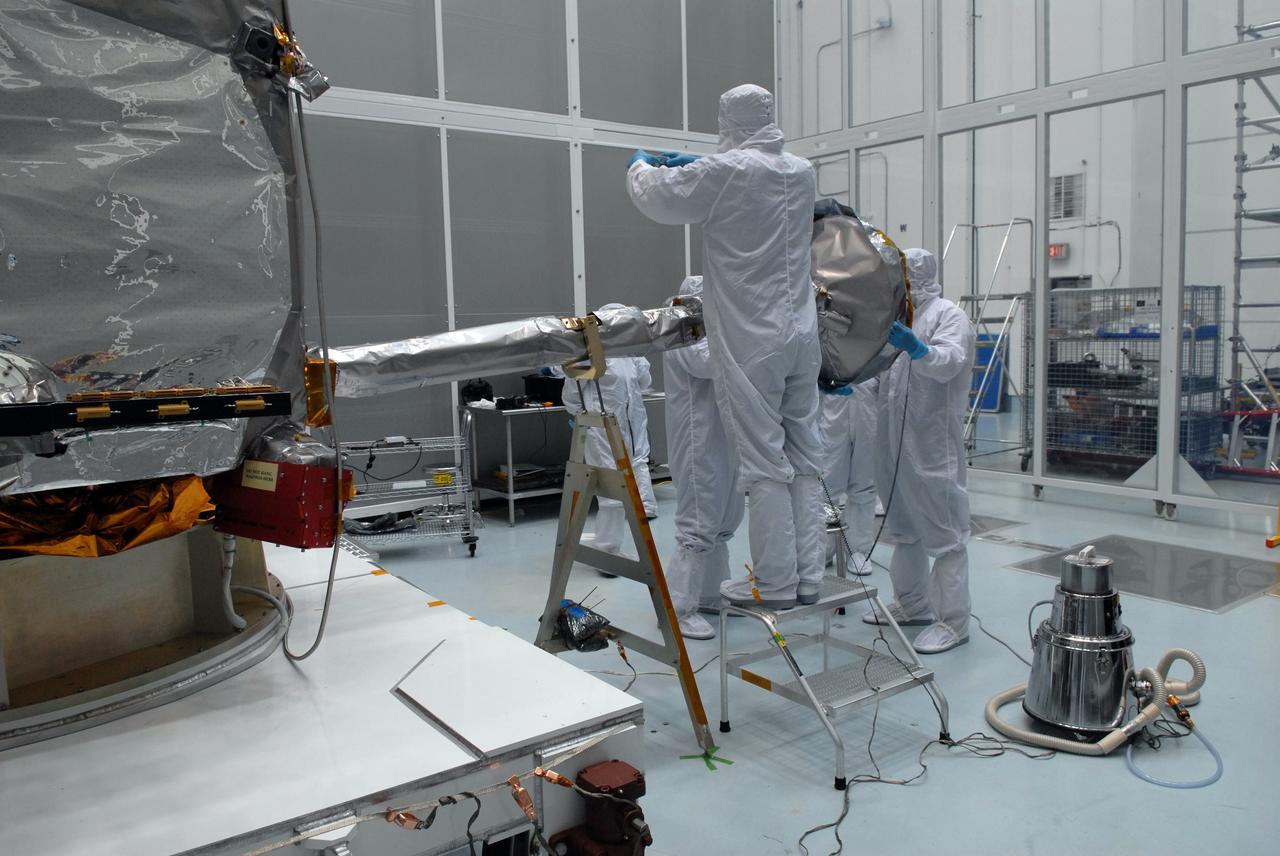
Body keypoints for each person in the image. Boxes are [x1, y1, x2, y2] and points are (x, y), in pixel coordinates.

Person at [627, 84, 824, 610]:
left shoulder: (724, 172)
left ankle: (777, 584)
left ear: (726, 122)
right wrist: (708, 163)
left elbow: (658, 198)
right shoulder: (801, 171)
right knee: (805, 459)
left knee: (764, 466)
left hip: (752, 337)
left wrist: (641, 166)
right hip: (803, 335)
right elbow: (752, 179)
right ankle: (809, 578)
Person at [863, 248, 976, 654]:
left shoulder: (948, 315)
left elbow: (949, 362)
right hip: (893, 442)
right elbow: (883, 376)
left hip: (931, 444)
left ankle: (954, 623)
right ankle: (913, 605)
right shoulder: (899, 318)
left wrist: (918, 348)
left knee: (945, 535)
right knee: (904, 531)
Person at [663, 276, 745, 639]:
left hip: (722, 434)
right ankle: (679, 609)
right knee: (699, 516)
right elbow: (710, 364)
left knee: (724, 512)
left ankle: (711, 594)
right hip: (697, 436)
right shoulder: (683, 328)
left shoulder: (713, 329)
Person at [556, 311, 658, 562]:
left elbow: (644, 382)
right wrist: (589, 419)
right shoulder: (588, 353)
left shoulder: (631, 353)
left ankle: (625, 535)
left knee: (636, 472)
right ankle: (608, 549)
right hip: (602, 430)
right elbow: (572, 397)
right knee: (610, 487)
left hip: (632, 427)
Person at [818, 379, 877, 576]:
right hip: (832, 410)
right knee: (826, 485)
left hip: (869, 410)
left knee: (864, 486)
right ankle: (823, 547)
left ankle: (858, 551)